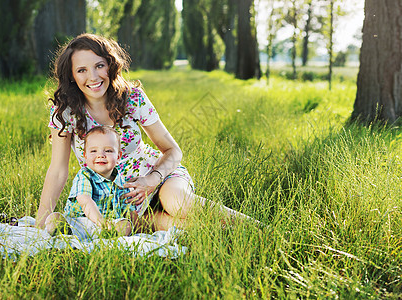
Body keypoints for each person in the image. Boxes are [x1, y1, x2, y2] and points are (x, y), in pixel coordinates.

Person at [36, 33, 257, 232]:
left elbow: (172, 150)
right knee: (176, 227)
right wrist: (40, 224)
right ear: (72, 76)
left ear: (110, 66)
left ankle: (259, 229)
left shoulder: (132, 97)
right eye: (82, 70)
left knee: (175, 201)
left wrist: (151, 179)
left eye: (99, 66)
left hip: (159, 176)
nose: (93, 77)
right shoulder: (65, 112)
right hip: (119, 201)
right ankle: (235, 234)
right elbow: (57, 170)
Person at [44, 125, 136, 237]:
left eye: (108, 150)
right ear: (85, 156)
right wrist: (102, 222)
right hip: (78, 223)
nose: (100, 155)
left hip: (109, 226)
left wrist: (133, 223)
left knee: (125, 225)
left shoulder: (120, 181)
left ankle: (109, 237)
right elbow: (85, 201)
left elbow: (129, 209)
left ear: (118, 156)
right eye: (93, 151)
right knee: (54, 219)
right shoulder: (84, 175)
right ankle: (66, 234)